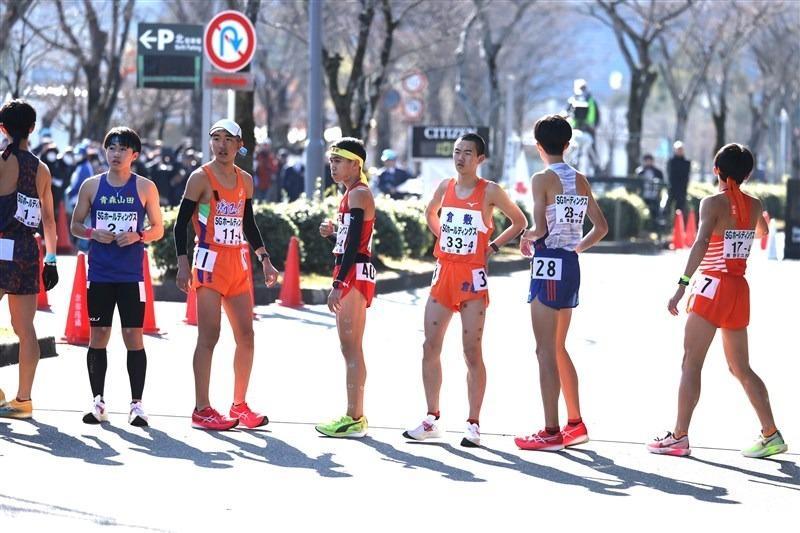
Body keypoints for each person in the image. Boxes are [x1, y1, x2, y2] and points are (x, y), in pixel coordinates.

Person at [647, 143, 788, 459]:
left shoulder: (711, 202)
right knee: (741, 367)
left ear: (716, 171)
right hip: (738, 288)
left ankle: (679, 435)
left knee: (691, 362)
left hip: (711, 286)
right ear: (748, 173)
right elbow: (762, 230)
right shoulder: (754, 205)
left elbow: (699, 244)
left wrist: (682, 285)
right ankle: (771, 433)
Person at [403, 132, 527, 447]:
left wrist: (492, 246)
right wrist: (441, 233)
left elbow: (519, 221)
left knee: (472, 352)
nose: (460, 158)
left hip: (472, 278)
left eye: (467, 153)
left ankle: (473, 423)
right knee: (429, 346)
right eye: (457, 152)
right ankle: (431, 418)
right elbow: (430, 213)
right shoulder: (445, 187)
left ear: (480, 159)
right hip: (444, 273)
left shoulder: (490, 191)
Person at [174, 119, 279, 431]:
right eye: (215, 139)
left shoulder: (245, 180)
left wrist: (265, 259)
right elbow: (180, 224)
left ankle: (239, 404)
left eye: (227, 140)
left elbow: (248, 222)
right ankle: (202, 408)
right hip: (208, 261)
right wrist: (182, 263)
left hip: (238, 263)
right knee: (209, 336)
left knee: (246, 336)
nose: (220, 145)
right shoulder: (200, 178)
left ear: (238, 144)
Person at [513, 114, 608, 451]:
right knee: (557, 347)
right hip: (569, 263)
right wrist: (576, 248)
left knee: (544, 350)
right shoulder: (580, 180)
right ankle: (574, 423)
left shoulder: (543, 178)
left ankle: (551, 430)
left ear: (539, 146)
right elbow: (601, 227)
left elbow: (539, 227)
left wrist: (525, 237)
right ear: (567, 145)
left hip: (548, 263)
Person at [69, 127, 164, 426]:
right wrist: (92, 233)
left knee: (133, 336)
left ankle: (136, 404)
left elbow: (158, 229)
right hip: (99, 273)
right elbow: (74, 225)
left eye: (122, 148)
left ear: (134, 155)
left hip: (131, 275)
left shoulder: (145, 187)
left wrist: (138, 235)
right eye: (111, 147)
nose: (115, 153)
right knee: (98, 336)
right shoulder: (91, 186)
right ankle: (98, 402)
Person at [0, 99, 59, 419]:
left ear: (3, 129)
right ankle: (23, 399)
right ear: (33, 129)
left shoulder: (2, 161)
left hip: (1, 245)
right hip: (27, 249)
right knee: (25, 329)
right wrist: (51, 259)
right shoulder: (43, 169)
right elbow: (49, 221)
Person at [314, 138, 376, 438]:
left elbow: (354, 244)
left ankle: (354, 417)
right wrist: (332, 232)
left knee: (351, 347)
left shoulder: (358, 194)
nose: (333, 165)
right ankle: (355, 415)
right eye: (332, 159)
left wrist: (339, 283)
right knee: (349, 347)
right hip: (353, 270)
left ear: (356, 164)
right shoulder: (352, 194)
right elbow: (349, 238)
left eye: (340, 160)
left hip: (353, 273)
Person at [636, 153, 665, 228]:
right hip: (643, 195)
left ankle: (653, 227)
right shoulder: (640, 172)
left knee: (654, 212)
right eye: (647, 160)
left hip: (654, 195)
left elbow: (661, 183)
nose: (648, 162)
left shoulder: (658, 172)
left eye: (650, 160)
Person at [667, 141, 691, 222]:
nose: (680, 151)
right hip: (672, 187)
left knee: (680, 208)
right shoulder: (671, 161)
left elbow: (685, 175)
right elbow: (671, 174)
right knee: (668, 207)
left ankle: (678, 224)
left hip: (682, 189)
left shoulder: (686, 162)